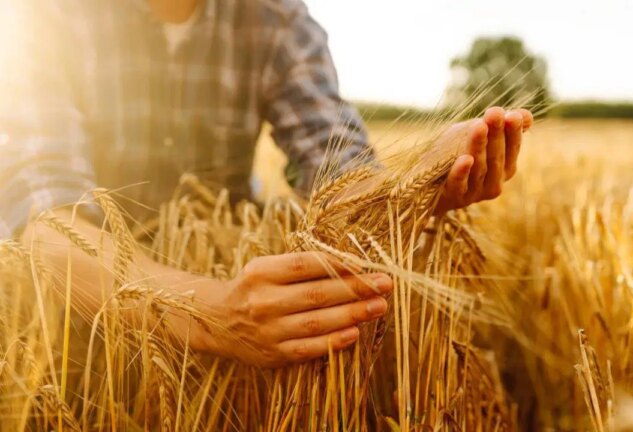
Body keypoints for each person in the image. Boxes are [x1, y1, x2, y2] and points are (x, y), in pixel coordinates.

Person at [0, 0, 534, 368]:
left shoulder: (275, 18)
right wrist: (211, 314)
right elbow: (46, 224)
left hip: (221, 287)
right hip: (73, 321)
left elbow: (338, 172)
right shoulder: (43, 17)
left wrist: (417, 188)